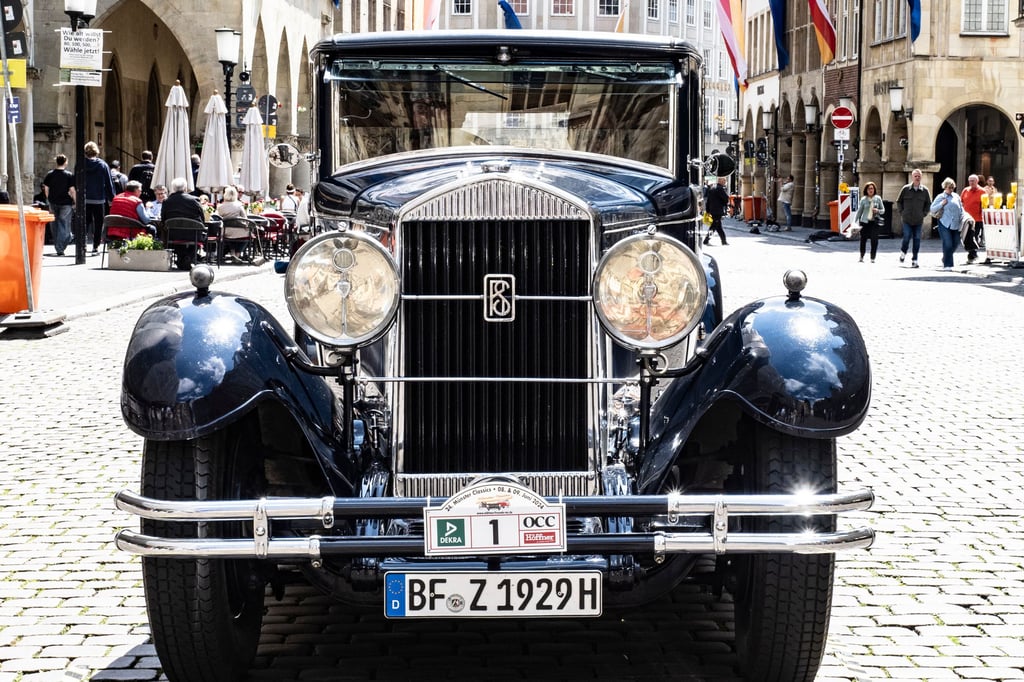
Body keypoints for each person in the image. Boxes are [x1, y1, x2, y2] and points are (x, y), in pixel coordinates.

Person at [161, 177, 206, 269]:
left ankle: (183, 258)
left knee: (175, 237)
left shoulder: (167, 201)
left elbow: (163, 219)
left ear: (173, 188)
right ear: (185, 188)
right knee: (202, 234)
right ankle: (188, 257)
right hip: (193, 234)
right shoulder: (194, 200)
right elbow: (202, 217)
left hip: (173, 234)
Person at [82, 141, 115, 255]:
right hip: (99, 198)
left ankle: (83, 244)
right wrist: (112, 198)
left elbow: (76, 180)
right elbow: (108, 182)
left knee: (85, 222)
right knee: (99, 223)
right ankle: (95, 246)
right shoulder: (103, 165)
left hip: (85, 198)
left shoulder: (81, 164)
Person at [895, 168, 931, 268]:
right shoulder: (905, 189)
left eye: (919, 176)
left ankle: (915, 259)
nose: (917, 178)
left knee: (917, 239)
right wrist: (902, 212)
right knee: (906, 236)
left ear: (921, 177)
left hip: (918, 220)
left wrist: (924, 213)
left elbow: (928, 203)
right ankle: (903, 251)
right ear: (912, 177)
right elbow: (899, 201)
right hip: (906, 219)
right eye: (915, 176)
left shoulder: (925, 191)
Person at [42, 154, 76, 256]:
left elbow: (46, 189)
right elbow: (72, 190)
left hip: (53, 202)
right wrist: (75, 201)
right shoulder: (69, 175)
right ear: (65, 162)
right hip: (66, 202)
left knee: (54, 224)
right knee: (64, 223)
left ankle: (58, 245)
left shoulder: (50, 174)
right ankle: (61, 245)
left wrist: (49, 198)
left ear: (56, 162)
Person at [930, 177, 963, 271]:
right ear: (945, 187)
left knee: (956, 242)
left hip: (956, 223)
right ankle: (948, 265)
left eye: (952, 187)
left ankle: (945, 257)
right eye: (949, 187)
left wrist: (963, 217)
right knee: (947, 243)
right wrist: (942, 204)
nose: (951, 189)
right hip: (944, 223)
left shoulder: (956, 196)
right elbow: (932, 209)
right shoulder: (941, 197)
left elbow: (961, 208)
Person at [215, 185, 249, 261]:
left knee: (229, 236)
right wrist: (246, 226)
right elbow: (245, 218)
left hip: (225, 231)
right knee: (248, 235)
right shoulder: (239, 205)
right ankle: (237, 254)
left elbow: (216, 217)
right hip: (240, 231)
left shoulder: (220, 207)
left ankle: (233, 252)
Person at [855, 181, 884, 263]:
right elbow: (859, 212)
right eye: (869, 189)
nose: (871, 190)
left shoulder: (878, 198)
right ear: (866, 190)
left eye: (872, 188)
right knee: (863, 240)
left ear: (874, 189)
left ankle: (873, 257)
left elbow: (883, 210)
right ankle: (862, 255)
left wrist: (878, 210)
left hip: (874, 222)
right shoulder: (863, 199)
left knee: (874, 240)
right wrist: (855, 221)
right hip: (865, 222)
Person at [960, 174, 985, 264]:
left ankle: (972, 255)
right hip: (966, 219)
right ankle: (972, 254)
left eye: (973, 181)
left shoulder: (982, 192)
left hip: (977, 219)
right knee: (967, 237)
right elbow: (961, 203)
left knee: (974, 236)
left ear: (977, 181)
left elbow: (984, 205)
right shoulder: (965, 190)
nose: (971, 182)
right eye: (970, 181)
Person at [703, 176, 730, 246]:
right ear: (720, 181)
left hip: (712, 210)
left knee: (718, 227)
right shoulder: (720, 189)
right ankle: (706, 240)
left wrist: (708, 210)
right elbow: (726, 199)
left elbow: (708, 201)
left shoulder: (712, 188)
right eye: (724, 181)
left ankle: (723, 241)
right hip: (718, 211)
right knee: (714, 226)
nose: (725, 183)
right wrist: (725, 204)